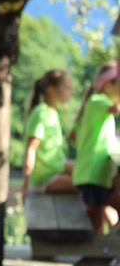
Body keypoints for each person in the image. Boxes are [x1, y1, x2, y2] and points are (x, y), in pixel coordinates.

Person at [71, 61, 120, 235]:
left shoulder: (92, 105)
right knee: (96, 227)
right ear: (108, 85)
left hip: (95, 175)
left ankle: (108, 250)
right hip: (93, 176)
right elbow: (116, 108)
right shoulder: (98, 101)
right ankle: (102, 252)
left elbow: (72, 136)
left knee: (101, 221)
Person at [22, 69, 77, 199]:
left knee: (90, 176)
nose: (71, 92)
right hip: (45, 177)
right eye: (67, 88)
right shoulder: (41, 113)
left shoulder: (52, 112)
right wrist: (26, 185)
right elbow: (31, 149)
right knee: (86, 186)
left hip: (57, 167)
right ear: (52, 90)